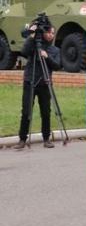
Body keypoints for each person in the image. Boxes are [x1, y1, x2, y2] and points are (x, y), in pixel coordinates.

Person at [14, 19, 60, 149]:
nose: (51, 35)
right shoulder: (33, 46)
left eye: (53, 33)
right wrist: (32, 35)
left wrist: (47, 57)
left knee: (46, 111)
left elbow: (57, 66)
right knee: (26, 111)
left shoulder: (54, 50)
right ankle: (22, 139)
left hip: (45, 83)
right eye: (49, 32)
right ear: (44, 33)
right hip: (30, 81)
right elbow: (24, 52)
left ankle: (46, 138)